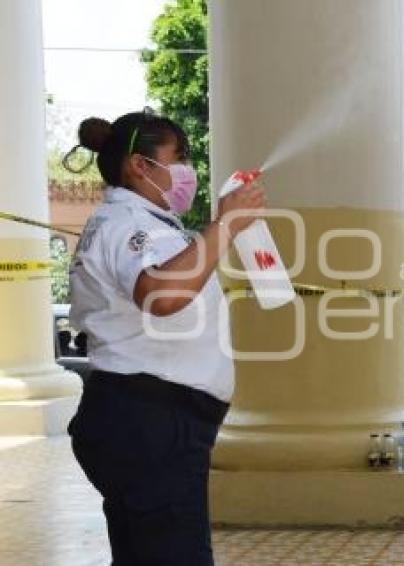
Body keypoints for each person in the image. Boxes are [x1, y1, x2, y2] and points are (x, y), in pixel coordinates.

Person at [66, 109, 265, 565]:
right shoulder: (127, 224)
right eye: (179, 158)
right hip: (150, 422)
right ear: (140, 165)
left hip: (147, 421)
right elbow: (162, 294)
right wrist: (226, 225)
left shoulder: (144, 224)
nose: (187, 173)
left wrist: (224, 228)